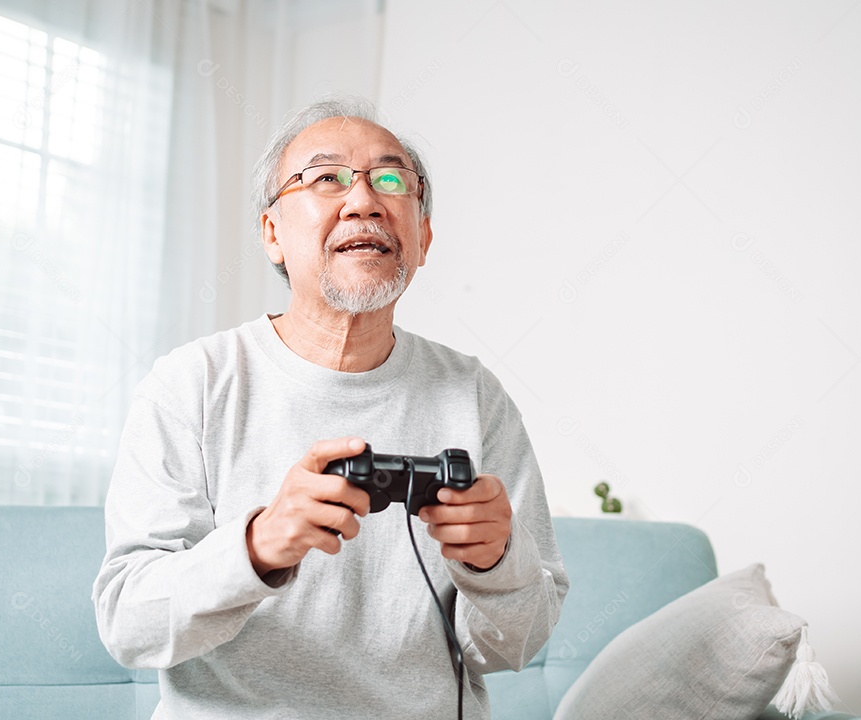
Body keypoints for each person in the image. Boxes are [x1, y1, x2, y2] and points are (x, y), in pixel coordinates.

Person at [92, 96, 568, 719]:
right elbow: (130, 625)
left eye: (392, 180)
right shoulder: (192, 383)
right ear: (272, 234)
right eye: (326, 178)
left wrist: (496, 561)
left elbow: (509, 648)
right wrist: (258, 547)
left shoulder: (474, 395)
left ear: (422, 236)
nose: (365, 200)